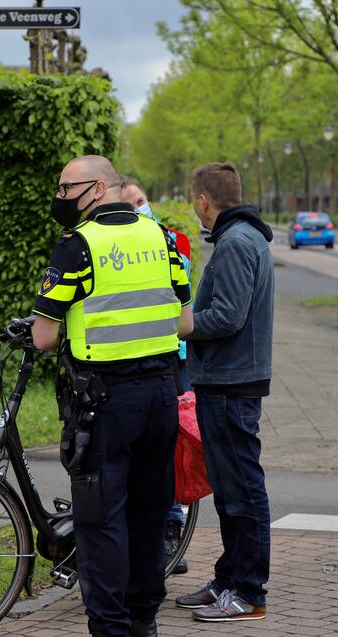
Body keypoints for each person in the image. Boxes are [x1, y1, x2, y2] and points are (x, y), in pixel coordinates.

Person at [31, 155, 194, 637]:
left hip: (105, 402)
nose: (60, 195)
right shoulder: (162, 238)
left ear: (98, 188)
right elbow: (185, 323)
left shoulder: (78, 245)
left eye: (66, 187)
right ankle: (143, 633)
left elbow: (43, 337)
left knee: (101, 524)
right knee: (148, 516)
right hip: (161, 396)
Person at [175, 162, 274, 622]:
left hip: (231, 383)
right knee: (231, 491)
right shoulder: (244, 237)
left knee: (241, 492)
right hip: (229, 380)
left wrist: (184, 324)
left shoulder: (235, 243)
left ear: (203, 200)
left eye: (193, 198)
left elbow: (230, 316)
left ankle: (248, 592)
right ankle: (228, 579)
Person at [119, 175, 191, 576]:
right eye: (130, 204)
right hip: (133, 358)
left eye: (141, 200)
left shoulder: (172, 241)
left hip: (171, 358)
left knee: (169, 448)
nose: (138, 208)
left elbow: (181, 288)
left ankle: (172, 528)